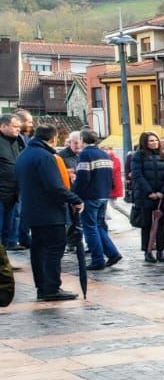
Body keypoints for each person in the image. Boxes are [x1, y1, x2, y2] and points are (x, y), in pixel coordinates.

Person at [15, 125, 82, 301]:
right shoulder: (45, 157)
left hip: (32, 211)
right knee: (54, 250)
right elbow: (54, 186)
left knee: (38, 251)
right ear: (53, 138)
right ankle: (51, 287)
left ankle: (42, 287)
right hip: (50, 213)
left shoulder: (24, 155)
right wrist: (75, 199)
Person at [71, 130, 122, 271]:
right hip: (103, 194)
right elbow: (110, 176)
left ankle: (98, 259)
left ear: (82, 140)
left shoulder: (85, 154)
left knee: (90, 228)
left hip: (90, 196)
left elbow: (83, 178)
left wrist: (74, 195)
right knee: (99, 225)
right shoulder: (104, 154)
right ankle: (112, 253)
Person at [129, 131, 164, 263]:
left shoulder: (163, 156)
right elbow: (138, 175)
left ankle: (161, 251)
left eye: (156, 140)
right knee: (146, 225)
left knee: (161, 225)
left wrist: (162, 192)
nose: (154, 143)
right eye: (151, 141)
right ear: (145, 143)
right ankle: (147, 251)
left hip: (160, 197)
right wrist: (149, 192)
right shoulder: (138, 156)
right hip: (144, 196)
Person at [1, 114, 26, 251]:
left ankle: (10, 245)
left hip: (15, 191)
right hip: (2, 190)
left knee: (10, 222)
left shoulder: (19, 141)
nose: (18, 129)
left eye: (19, 127)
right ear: (3, 126)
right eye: (15, 126)